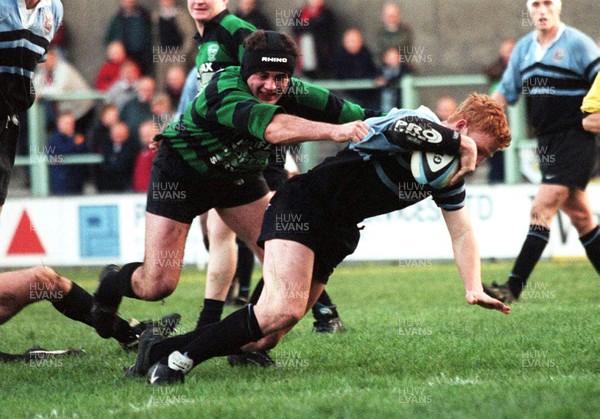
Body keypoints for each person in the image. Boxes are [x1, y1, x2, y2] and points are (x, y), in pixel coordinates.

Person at [127, 92, 513, 384]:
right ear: (461, 127)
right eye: (482, 149)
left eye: (487, 156)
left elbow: (461, 231)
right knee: (285, 309)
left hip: (339, 232)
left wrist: (473, 286)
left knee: (265, 338)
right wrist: (455, 142)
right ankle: (177, 363)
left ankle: (158, 348)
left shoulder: (447, 174)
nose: (478, 161)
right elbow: (397, 128)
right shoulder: (420, 120)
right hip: (304, 206)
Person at [91, 31, 375, 356]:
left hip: (238, 177)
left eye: (280, 77)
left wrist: (420, 126)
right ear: (245, 70)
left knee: (281, 261)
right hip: (182, 173)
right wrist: (334, 132)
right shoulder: (226, 87)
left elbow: (353, 112)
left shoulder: (294, 90)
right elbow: (272, 127)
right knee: (158, 284)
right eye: (262, 76)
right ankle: (114, 280)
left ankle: (244, 345)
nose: (271, 86)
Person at [0, 0, 179, 360]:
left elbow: (22, 78)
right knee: (42, 280)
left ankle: (129, 334)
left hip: (6, 130)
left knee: (43, 280)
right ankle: (130, 335)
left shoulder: (52, 11)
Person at [483, 0, 600, 303]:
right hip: (546, 142)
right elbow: (504, 94)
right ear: (529, 9)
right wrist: (474, 120)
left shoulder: (578, 44)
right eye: (536, 3)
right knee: (581, 217)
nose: (542, 9)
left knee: (542, 207)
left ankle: (512, 287)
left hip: (576, 139)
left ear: (558, 7)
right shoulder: (523, 48)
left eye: (548, 2)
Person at [483, 38, 516, 183]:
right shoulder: (496, 72)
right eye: (508, 51)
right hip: (500, 121)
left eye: (513, 51)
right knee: (498, 152)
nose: (511, 54)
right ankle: (496, 180)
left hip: (517, 121)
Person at [151, 0, 197, 91]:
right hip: (162, 55)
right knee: (162, 82)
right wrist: (157, 52)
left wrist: (183, 52)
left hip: (178, 54)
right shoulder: (156, 15)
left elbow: (190, 35)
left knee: (178, 81)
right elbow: (155, 36)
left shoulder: (181, 14)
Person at [332, 28, 378, 109]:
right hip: (347, 94)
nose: (353, 44)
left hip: (368, 94)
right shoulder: (339, 56)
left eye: (356, 41)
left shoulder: (365, 53)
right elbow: (338, 75)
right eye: (350, 41)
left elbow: (372, 70)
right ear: (345, 42)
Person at [105, 0, 153, 75]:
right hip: (124, 57)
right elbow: (109, 38)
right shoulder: (117, 18)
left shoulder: (144, 15)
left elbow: (151, 35)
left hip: (142, 57)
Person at [292, 0, 337, 79]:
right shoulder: (301, 13)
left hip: (321, 53)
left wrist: (308, 25)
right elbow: (296, 28)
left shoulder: (327, 14)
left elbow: (323, 29)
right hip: (304, 52)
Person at [47, 111, 87, 195]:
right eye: (66, 123)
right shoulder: (53, 139)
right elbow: (61, 151)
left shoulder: (78, 136)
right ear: (58, 124)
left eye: (71, 123)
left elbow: (84, 149)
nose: (69, 125)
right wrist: (74, 143)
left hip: (76, 182)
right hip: (61, 183)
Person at [374, 2, 414, 71]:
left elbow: (408, 52)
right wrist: (387, 58)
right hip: (384, 68)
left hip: (403, 68)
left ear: (398, 16)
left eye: (393, 16)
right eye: (389, 16)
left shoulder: (406, 32)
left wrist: (396, 57)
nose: (391, 19)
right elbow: (377, 53)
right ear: (383, 17)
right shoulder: (378, 34)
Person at [375, 46, 412, 111]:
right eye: (390, 57)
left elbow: (400, 78)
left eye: (395, 57)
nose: (392, 59)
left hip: (400, 105)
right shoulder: (380, 70)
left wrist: (386, 82)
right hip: (383, 106)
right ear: (384, 58)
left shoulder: (405, 69)